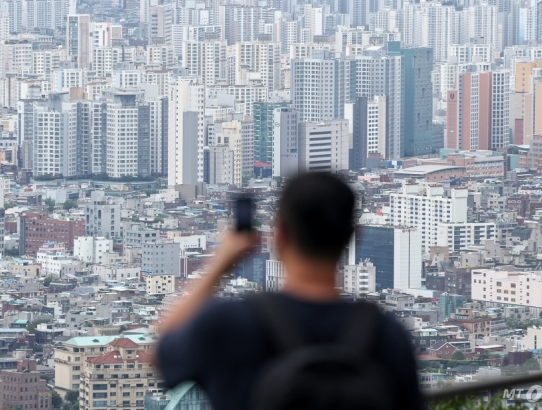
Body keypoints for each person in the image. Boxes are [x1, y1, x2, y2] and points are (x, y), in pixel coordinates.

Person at [156, 173, 420, 410]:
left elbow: (163, 349)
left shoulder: (230, 324)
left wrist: (222, 262)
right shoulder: (388, 336)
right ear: (352, 236)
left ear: (279, 234)